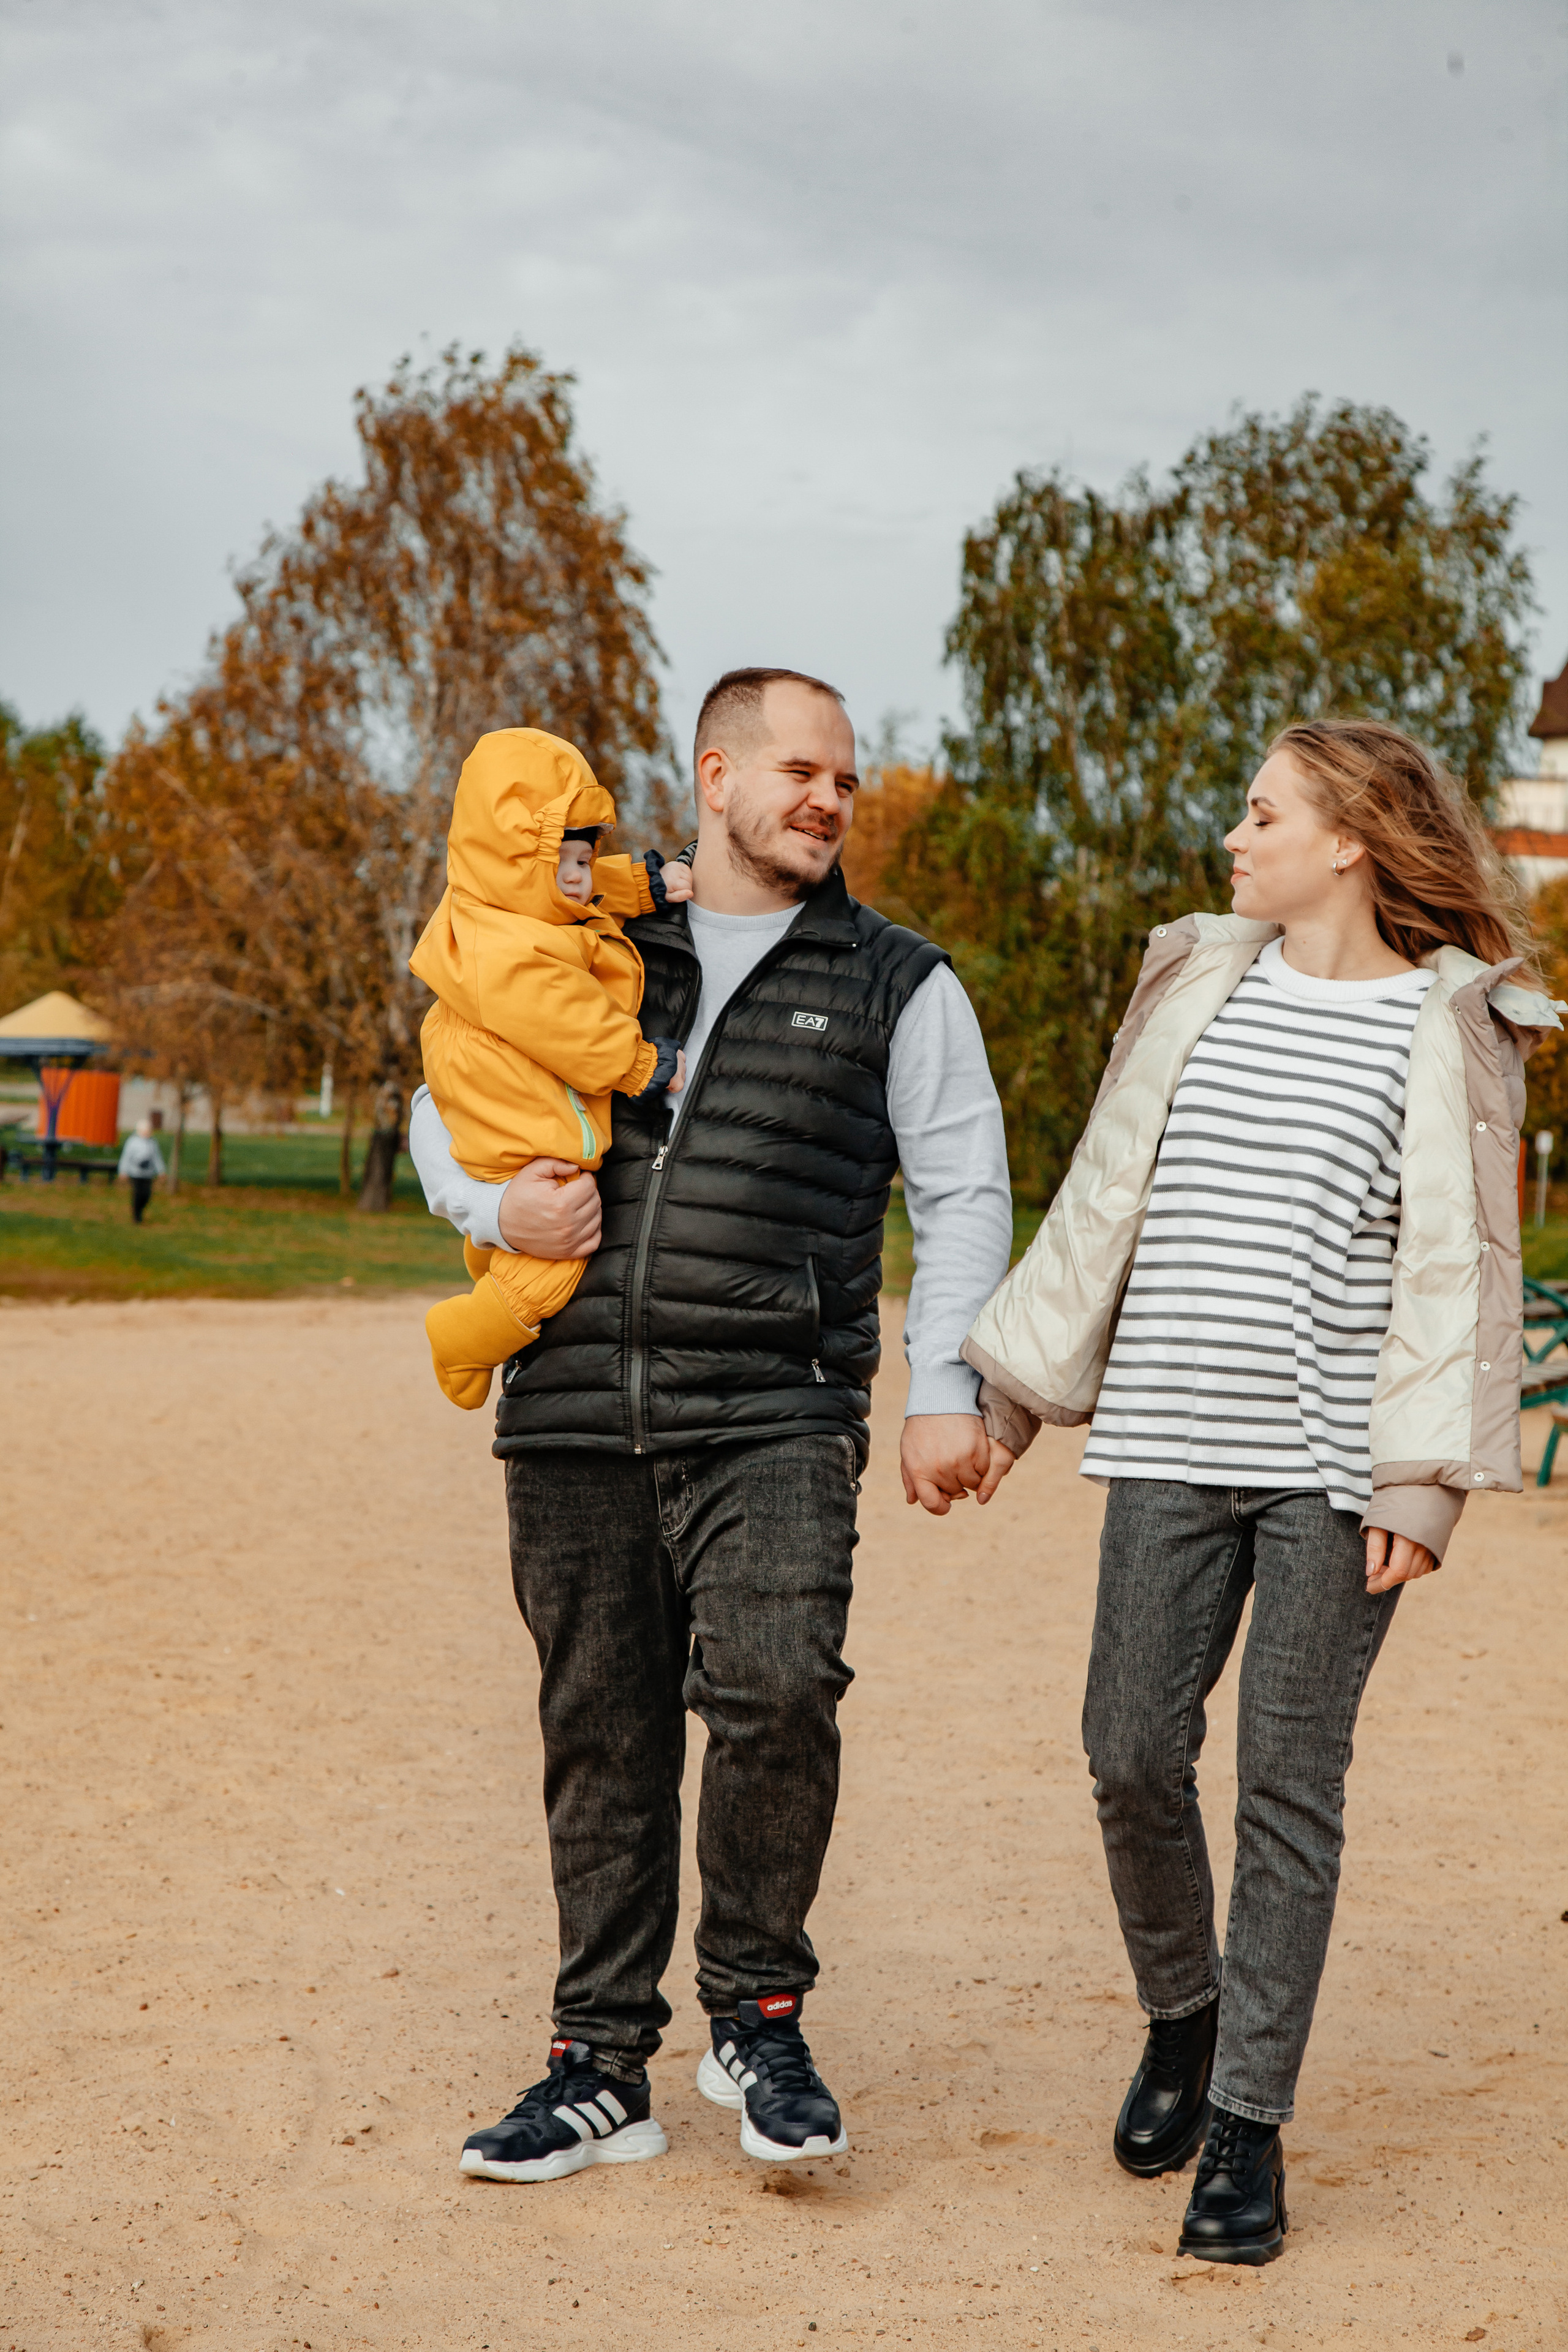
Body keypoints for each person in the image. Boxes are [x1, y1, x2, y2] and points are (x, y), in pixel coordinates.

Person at [962, 718, 1561, 2266]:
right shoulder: (1196, 979)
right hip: (1164, 1437)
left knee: (1287, 1791)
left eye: (1260, 810)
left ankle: (1242, 2123)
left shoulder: (1443, 1024)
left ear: (1349, 835)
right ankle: (1182, 2011)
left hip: (1325, 1469)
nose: (1233, 837)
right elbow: (1104, 1198)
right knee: (1123, 1746)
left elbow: (1454, 1272)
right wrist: (1013, 1401)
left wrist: (1423, 1482)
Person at [409, 666, 1016, 2183]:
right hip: (570, 1409)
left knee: (776, 1686)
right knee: (597, 1732)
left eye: (845, 780)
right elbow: (446, 1087)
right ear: (716, 773)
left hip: (774, 1406)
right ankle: (596, 2062)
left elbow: (960, 1194)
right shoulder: (590, 941)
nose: (826, 798)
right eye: (799, 770)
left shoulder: (896, 978)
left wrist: (947, 1387)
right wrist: (492, 1203)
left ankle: (754, 2013)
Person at [409, 726, 694, 1409]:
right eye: (562, 863)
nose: (579, 877)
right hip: (508, 1093)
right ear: (513, 862)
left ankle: (487, 1261)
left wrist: (645, 883)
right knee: (553, 1265)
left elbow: (586, 887)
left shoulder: (513, 900)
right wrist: (641, 1066)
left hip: (495, 1080)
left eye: (585, 856)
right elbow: (569, 1025)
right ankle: (463, 1337)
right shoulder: (509, 956)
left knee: (518, 1225)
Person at [117, 1117, 165, 1223]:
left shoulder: (152, 1143)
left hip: (148, 1174)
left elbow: (157, 1158)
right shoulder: (132, 1142)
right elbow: (126, 1158)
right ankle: (137, 1215)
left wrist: (161, 1171)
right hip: (136, 1174)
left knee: (146, 1195)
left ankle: (140, 1210)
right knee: (138, 1194)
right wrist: (123, 1171)